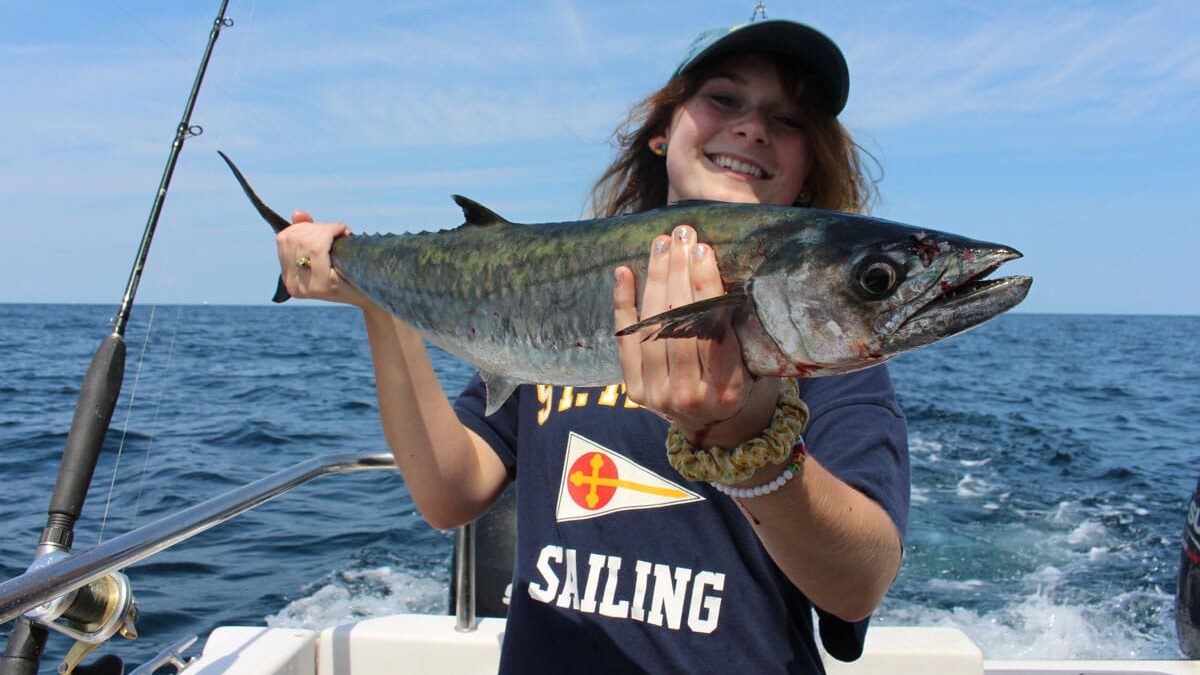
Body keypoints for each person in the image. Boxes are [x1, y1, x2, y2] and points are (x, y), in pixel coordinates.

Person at [275, 18, 909, 674]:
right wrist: (376, 298)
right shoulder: (554, 283)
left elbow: (858, 585)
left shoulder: (826, 351)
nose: (752, 127)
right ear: (662, 133)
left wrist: (745, 443)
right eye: (723, 98)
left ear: (810, 171)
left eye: (789, 118)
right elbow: (448, 492)